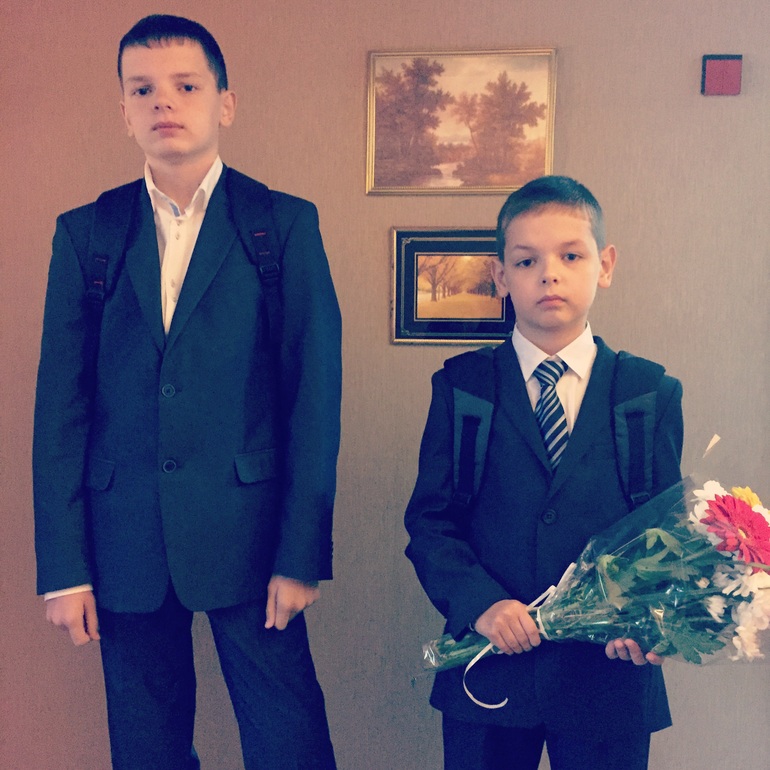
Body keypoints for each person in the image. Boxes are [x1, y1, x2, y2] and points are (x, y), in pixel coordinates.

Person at [33, 14, 340, 770]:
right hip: (124, 536)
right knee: (147, 746)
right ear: (124, 111)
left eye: (186, 86)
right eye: (143, 89)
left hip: (253, 533)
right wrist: (65, 567)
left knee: (289, 739)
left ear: (224, 103)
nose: (163, 102)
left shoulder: (281, 224)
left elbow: (313, 399)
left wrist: (301, 553)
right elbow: (60, 411)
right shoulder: (87, 233)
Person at [404, 176, 683, 770]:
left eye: (570, 256)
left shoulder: (648, 392)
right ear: (501, 276)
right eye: (527, 261)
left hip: (608, 675)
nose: (549, 275)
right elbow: (431, 524)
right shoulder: (463, 387)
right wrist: (481, 604)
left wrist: (646, 620)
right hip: (489, 669)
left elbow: (666, 531)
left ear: (605, 265)